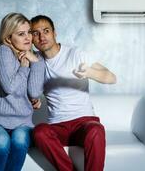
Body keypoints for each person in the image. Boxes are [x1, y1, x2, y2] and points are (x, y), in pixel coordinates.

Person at [30, 15, 116, 171]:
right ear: (32, 39)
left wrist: (89, 72)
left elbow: (111, 77)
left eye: (46, 31)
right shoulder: (36, 62)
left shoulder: (75, 54)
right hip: (57, 126)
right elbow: (29, 89)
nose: (42, 36)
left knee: (96, 129)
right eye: (35, 33)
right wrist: (32, 100)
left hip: (83, 123)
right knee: (39, 132)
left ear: (54, 33)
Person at [0, 13, 45, 171]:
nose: (28, 37)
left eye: (29, 32)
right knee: (1, 141)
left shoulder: (33, 57)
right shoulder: (2, 51)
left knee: (20, 140)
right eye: (21, 34)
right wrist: (24, 67)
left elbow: (34, 93)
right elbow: (9, 88)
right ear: (8, 38)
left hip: (23, 124)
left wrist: (35, 62)